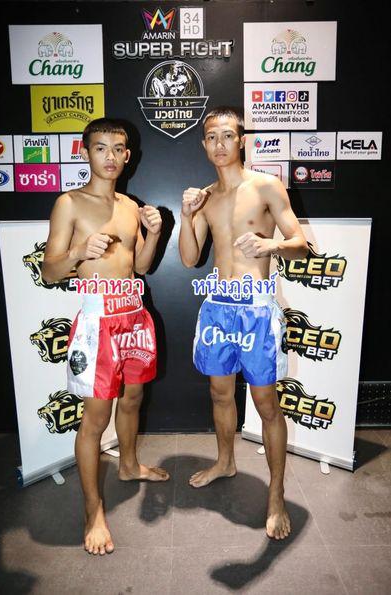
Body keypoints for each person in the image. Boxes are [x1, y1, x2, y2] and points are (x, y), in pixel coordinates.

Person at [179, 107, 308, 540]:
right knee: (220, 393)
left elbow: (301, 245)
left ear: (242, 141)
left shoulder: (266, 186)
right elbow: (189, 258)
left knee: (266, 403)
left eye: (227, 136)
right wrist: (186, 216)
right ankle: (225, 461)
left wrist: (272, 245)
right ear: (204, 144)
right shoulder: (205, 198)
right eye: (211, 137)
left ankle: (276, 494)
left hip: (255, 309)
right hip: (218, 306)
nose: (219, 144)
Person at [42, 118, 169, 556]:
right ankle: (92, 510)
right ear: (85, 152)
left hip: (134, 314)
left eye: (118, 149)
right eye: (100, 148)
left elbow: (142, 267)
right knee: (95, 419)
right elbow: (50, 270)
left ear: (127, 156)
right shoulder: (69, 203)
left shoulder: (131, 206)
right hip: (98, 321)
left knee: (132, 399)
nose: (110, 157)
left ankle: (129, 465)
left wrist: (155, 233)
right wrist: (79, 252)